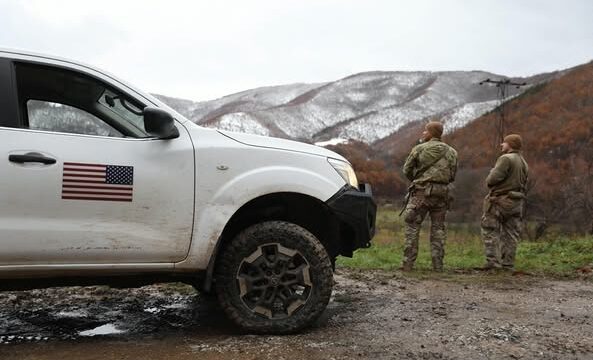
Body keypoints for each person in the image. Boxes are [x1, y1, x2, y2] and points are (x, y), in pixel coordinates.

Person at [401, 121, 458, 272]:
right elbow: (452, 174)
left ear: (431, 133)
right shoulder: (452, 152)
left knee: (412, 225)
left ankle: (408, 264)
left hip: (422, 193)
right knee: (438, 229)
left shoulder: (419, 149)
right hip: (442, 194)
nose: (423, 133)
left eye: (425, 131)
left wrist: (418, 179)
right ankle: (438, 265)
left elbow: (407, 169)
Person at [480, 134, 529, 271]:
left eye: (505, 142)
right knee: (511, 234)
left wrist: (492, 172)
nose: (502, 144)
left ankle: (493, 263)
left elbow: (491, 180)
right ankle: (508, 264)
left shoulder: (505, 159)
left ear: (511, 144)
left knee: (490, 230)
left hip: (500, 201)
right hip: (516, 202)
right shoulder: (523, 161)